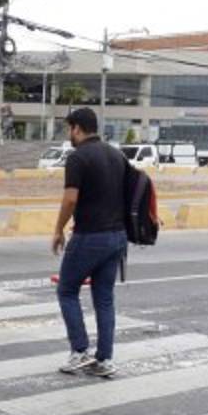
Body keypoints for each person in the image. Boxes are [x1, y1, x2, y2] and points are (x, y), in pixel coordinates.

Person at [52, 107, 127, 378]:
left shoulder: (78, 158)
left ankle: (80, 351)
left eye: (69, 129)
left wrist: (58, 229)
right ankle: (104, 360)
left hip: (90, 236)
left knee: (67, 290)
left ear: (77, 128)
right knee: (104, 299)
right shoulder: (117, 155)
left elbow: (70, 199)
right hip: (118, 237)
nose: (69, 135)